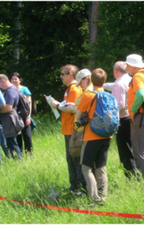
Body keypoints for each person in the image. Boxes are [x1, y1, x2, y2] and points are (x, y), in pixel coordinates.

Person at [75, 68, 111, 204]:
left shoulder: (88, 95)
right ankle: (103, 198)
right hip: (107, 136)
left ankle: (95, 199)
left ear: (90, 80)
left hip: (91, 137)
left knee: (86, 168)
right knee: (101, 167)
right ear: (105, 80)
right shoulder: (108, 95)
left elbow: (78, 118)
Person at [49, 64, 84, 192]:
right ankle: (74, 186)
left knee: (75, 158)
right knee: (71, 158)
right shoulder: (70, 89)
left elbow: (74, 109)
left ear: (70, 74)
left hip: (73, 130)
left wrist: (56, 105)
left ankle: (79, 187)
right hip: (69, 129)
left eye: (63, 74)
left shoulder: (74, 89)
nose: (61, 77)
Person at [103, 61, 137, 180]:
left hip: (122, 120)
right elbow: (114, 86)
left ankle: (131, 179)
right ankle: (138, 175)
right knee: (132, 148)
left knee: (125, 151)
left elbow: (119, 104)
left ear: (115, 71)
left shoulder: (119, 84)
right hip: (132, 118)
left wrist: (106, 108)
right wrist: (102, 85)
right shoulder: (129, 79)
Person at [0, 74, 23, 159]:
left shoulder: (10, 91)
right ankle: (16, 160)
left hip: (10, 119)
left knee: (12, 142)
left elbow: (8, 108)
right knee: (11, 142)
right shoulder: (12, 89)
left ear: (3, 81)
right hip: (10, 118)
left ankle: (19, 161)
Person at [9, 72, 33, 154]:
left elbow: (29, 104)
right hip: (14, 117)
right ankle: (20, 155)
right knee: (17, 137)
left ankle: (29, 154)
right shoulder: (9, 90)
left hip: (24, 116)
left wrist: (28, 117)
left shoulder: (25, 89)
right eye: (12, 79)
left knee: (27, 136)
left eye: (16, 79)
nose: (14, 80)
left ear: (20, 80)